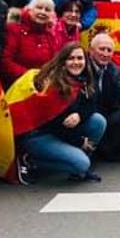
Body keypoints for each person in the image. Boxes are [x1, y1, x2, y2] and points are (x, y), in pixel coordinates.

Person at [18, 44, 107, 183]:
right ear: (63, 61)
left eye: (80, 58)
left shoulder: (83, 79)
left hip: (62, 132)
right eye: (71, 58)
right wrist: (79, 141)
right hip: (40, 135)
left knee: (98, 120)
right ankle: (30, 161)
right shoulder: (52, 83)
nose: (76, 62)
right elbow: (54, 122)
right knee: (81, 164)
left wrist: (79, 115)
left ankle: (76, 164)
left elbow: (91, 104)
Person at [86, 33, 120, 160]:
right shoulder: (83, 67)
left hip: (105, 112)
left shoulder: (113, 69)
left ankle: (106, 149)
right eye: (101, 49)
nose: (105, 54)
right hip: (87, 113)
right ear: (91, 50)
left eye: (109, 50)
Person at [0, 0, 63, 84]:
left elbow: (53, 64)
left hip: (40, 87)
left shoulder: (50, 35)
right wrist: (31, 77)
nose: (43, 12)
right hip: (14, 85)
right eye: (39, 8)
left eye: (47, 10)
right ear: (29, 10)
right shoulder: (14, 29)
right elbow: (5, 62)